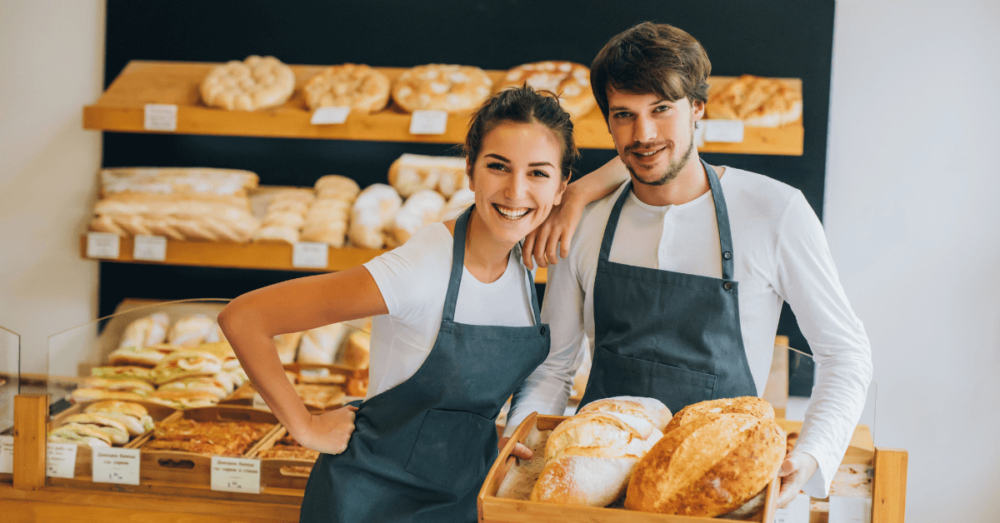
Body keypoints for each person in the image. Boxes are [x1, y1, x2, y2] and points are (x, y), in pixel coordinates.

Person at [504, 22, 873, 507]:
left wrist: (810, 456)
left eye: (661, 110)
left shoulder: (774, 213)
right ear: (608, 121)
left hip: (724, 492)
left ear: (697, 107)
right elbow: (553, 369)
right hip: (605, 490)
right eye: (624, 115)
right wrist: (519, 446)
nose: (644, 134)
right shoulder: (585, 222)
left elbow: (845, 354)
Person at [217, 86, 575, 522]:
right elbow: (245, 317)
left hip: (462, 497)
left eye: (538, 173)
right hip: (370, 501)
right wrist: (305, 425)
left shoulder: (523, 263)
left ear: (562, 186)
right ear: (470, 171)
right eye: (498, 167)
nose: (516, 191)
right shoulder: (420, 267)